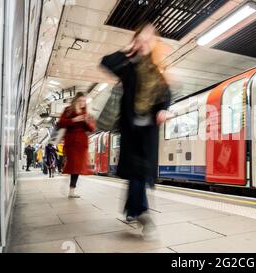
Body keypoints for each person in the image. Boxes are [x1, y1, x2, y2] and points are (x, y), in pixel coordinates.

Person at [101, 23, 171, 232]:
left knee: (140, 173)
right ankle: (140, 212)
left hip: (148, 130)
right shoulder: (128, 65)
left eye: (149, 39)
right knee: (137, 172)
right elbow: (106, 63)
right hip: (131, 129)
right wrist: (129, 49)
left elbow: (166, 94)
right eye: (141, 38)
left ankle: (133, 210)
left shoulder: (157, 69)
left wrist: (163, 109)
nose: (145, 42)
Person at [57, 92, 95, 198]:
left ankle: (71, 190)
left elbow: (92, 128)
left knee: (77, 167)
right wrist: (73, 120)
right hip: (71, 142)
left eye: (84, 101)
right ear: (75, 100)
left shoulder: (87, 112)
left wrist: (87, 121)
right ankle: (71, 188)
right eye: (80, 101)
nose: (83, 103)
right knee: (73, 166)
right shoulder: (68, 110)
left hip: (82, 144)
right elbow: (61, 123)